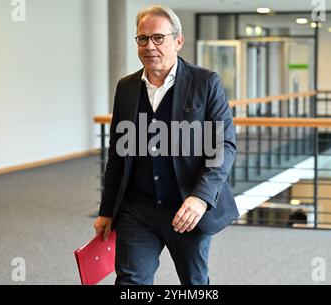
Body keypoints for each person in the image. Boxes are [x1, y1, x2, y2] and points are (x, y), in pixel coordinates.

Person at [93, 5, 238, 285]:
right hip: (137, 209)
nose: (150, 46)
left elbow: (223, 146)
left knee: (194, 283)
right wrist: (106, 210)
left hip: (186, 208)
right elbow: (117, 154)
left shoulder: (206, 82)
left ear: (178, 41)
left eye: (158, 38)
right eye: (142, 39)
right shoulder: (126, 87)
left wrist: (201, 198)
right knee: (130, 283)